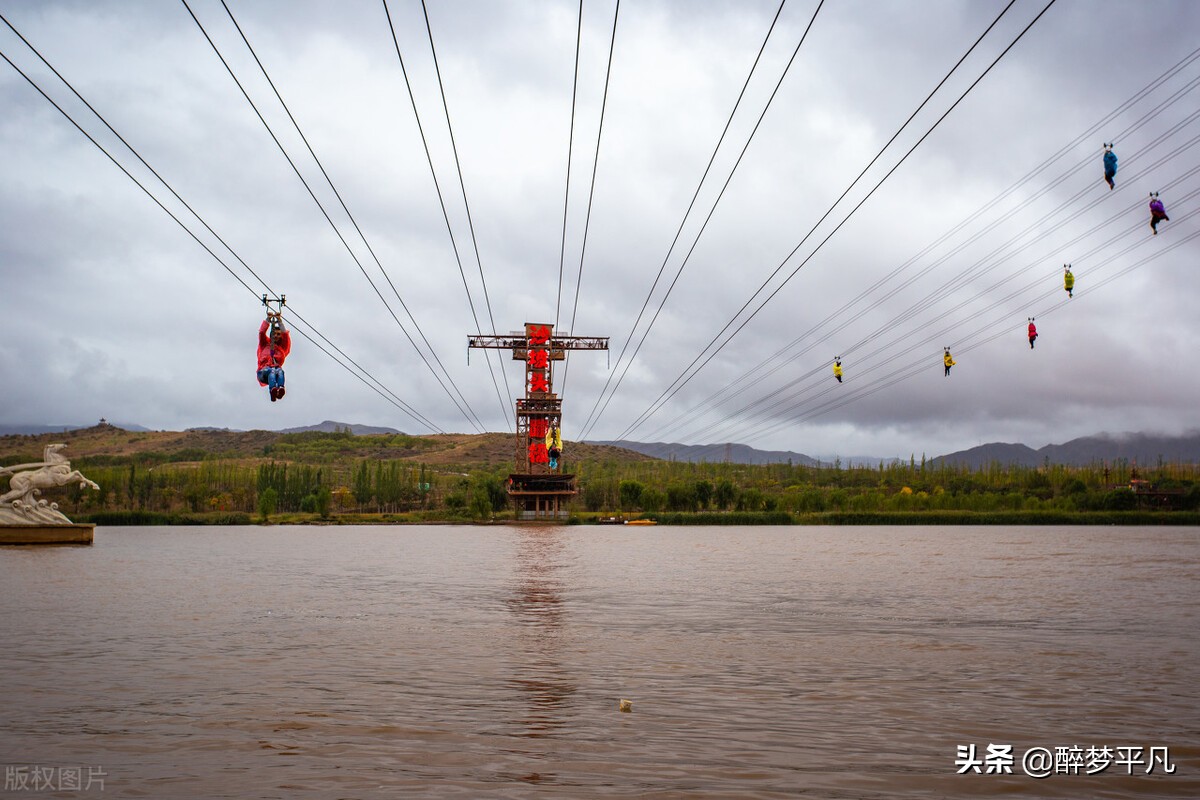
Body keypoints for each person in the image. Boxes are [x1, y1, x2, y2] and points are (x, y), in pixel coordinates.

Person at [257, 313, 291, 401]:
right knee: (272, 371)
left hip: (275, 370)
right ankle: (272, 390)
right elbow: (261, 333)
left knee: (280, 371)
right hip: (263, 372)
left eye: (278, 334)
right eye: (274, 334)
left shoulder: (282, 348)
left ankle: (280, 389)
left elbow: (285, 335)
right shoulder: (265, 344)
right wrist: (268, 320)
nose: (276, 336)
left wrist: (279, 321)